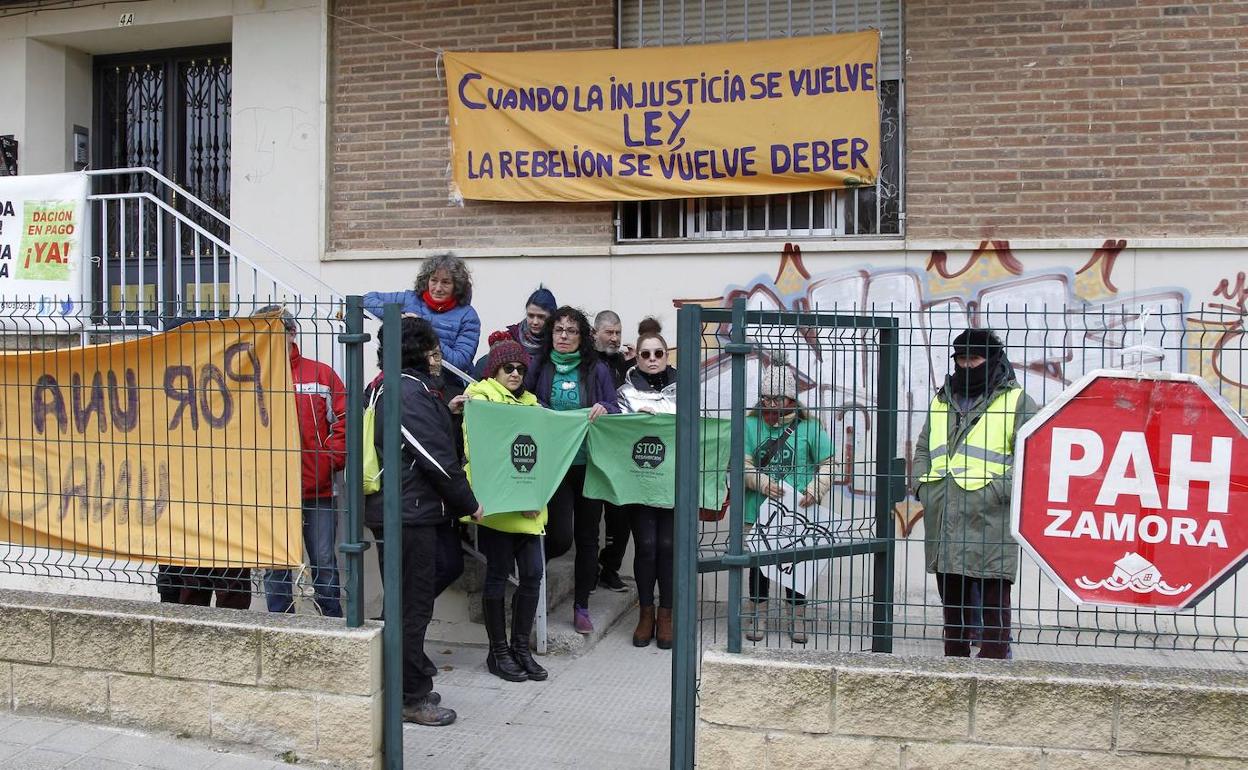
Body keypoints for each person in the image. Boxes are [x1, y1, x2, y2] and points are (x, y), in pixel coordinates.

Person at [365, 316, 483, 727]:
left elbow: (417, 443)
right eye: (434, 352)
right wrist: (469, 502)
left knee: (438, 574)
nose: (439, 360)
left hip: (409, 509)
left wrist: (446, 412)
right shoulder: (405, 391)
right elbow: (433, 455)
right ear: (418, 354)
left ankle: (404, 665)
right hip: (407, 512)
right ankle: (410, 696)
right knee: (413, 607)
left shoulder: (395, 386)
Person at [913, 329, 1036, 660]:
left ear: (993, 360)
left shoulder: (1016, 401)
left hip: (990, 518)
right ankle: (954, 669)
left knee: (995, 603)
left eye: (975, 359)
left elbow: (1035, 457)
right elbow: (924, 445)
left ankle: (996, 672)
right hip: (945, 513)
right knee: (952, 605)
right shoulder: (943, 398)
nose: (967, 366)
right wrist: (923, 487)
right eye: (961, 359)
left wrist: (997, 490)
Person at [457, 332, 549, 682]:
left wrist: (533, 498)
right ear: (493, 371)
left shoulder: (532, 404)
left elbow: (542, 455)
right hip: (497, 505)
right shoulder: (479, 398)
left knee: (532, 574)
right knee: (497, 576)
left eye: (520, 369)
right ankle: (498, 653)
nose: (514, 374)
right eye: (507, 368)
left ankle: (520, 649)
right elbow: (484, 451)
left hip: (528, 506)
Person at [525, 307, 620, 634]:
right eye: (559, 330)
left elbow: (614, 407)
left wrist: (603, 407)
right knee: (560, 536)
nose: (564, 336)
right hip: (554, 463)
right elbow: (521, 400)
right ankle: (528, 579)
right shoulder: (540, 365)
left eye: (571, 331)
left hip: (589, 463)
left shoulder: (597, 370)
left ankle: (581, 605)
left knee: (588, 537)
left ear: (583, 337)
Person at [255, 307, 345, 618]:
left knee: (323, 562)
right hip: (271, 492)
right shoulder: (249, 378)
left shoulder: (321, 374)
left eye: (273, 332)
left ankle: (331, 622)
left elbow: (344, 421)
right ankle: (281, 625)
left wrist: (329, 461)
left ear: (292, 334)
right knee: (276, 564)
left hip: (317, 489)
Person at [741, 363, 834, 645]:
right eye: (766, 398)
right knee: (759, 565)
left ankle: (797, 616)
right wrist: (762, 483)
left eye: (777, 398)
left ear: (791, 399)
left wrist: (814, 490)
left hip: (798, 511)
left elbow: (829, 463)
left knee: (797, 566)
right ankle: (758, 613)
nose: (770, 404)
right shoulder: (749, 425)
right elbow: (741, 463)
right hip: (758, 510)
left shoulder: (810, 428)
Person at [618, 319, 677, 649]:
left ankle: (666, 615)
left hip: (672, 482)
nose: (652, 358)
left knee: (668, 547)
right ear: (636, 357)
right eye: (645, 354)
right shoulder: (625, 392)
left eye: (658, 353)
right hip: (640, 482)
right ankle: (646, 613)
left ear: (667, 355)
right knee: (646, 546)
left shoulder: (686, 388)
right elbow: (620, 435)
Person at [363, 254, 480, 383]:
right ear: (426, 280)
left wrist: (425, 332)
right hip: (406, 378)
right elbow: (366, 300)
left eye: (446, 282)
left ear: (457, 286)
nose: (438, 288)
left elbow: (459, 362)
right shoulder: (410, 299)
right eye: (434, 280)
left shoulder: (468, 316)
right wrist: (396, 315)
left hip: (448, 383)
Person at [592, 310, 633, 593]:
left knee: (621, 515)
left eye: (618, 332)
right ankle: (590, 570)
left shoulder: (623, 362)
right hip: (593, 448)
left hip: (620, 449)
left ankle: (610, 568)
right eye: (609, 332)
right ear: (595, 333)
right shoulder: (586, 362)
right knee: (592, 516)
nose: (615, 338)